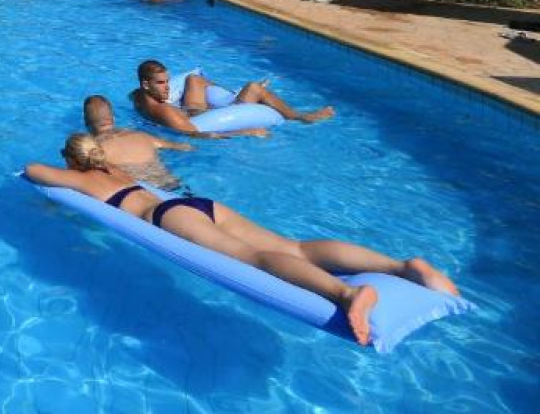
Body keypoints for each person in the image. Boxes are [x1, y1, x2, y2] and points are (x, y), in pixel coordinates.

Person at [25, 132, 459, 346]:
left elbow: (33, 171)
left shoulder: (82, 179)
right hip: (201, 205)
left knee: (254, 259)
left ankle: (347, 294)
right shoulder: (116, 168)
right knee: (292, 247)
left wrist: (65, 169)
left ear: (73, 160)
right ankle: (402, 267)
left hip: (165, 215)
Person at [131, 60, 333, 136]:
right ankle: (299, 117)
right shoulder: (164, 110)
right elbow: (196, 135)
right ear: (146, 84)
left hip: (191, 111)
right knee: (254, 88)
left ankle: (233, 94)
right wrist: (245, 131)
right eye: (161, 83)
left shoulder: (137, 96)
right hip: (202, 118)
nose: (167, 87)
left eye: (167, 81)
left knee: (194, 79)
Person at [83, 94, 192, 186]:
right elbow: (185, 147)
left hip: (145, 192)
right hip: (172, 184)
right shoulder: (143, 136)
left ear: (86, 123)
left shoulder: (95, 150)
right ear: (113, 118)